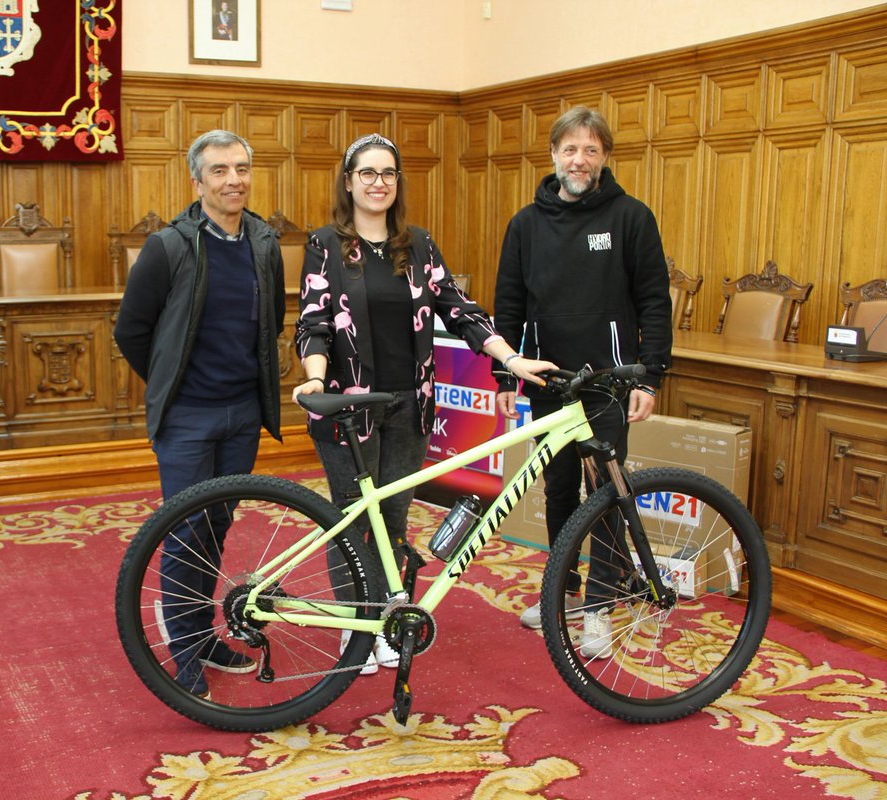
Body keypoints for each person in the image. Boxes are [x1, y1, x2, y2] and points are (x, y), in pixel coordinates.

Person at [293, 134, 555, 674]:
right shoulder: (324, 245)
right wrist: (316, 380)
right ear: (349, 181)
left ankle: (384, 619)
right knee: (350, 520)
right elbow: (313, 323)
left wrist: (514, 360)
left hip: (410, 405)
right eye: (367, 173)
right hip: (348, 407)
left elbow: (461, 312)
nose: (378, 183)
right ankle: (352, 629)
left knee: (392, 519)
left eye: (388, 173)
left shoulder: (419, 245)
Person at [493, 107, 673, 657]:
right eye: (570, 149)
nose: (580, 159)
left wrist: (652, 374)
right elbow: (509, 304)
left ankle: (600, 607)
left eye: (591, 150)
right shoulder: (525, 224)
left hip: (609, 383)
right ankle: (563, 590)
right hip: (549, 379)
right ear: (553, 155)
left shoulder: (631, 218)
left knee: (606, 492)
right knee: (558, 488)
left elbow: (653, 301)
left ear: (604, 158)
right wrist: (507, 373)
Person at [114, 129, 285, 699]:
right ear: (197, 180)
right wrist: (172, 382)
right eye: (219, 170)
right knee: (184, 532)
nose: (233, 179)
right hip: (188, 416)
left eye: (241, 168)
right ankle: (184, 654)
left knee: (217, 527)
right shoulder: (168, 246)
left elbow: (271, 324)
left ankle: (202, 629)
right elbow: (131, 331)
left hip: (242, 413)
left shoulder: (263, 241)